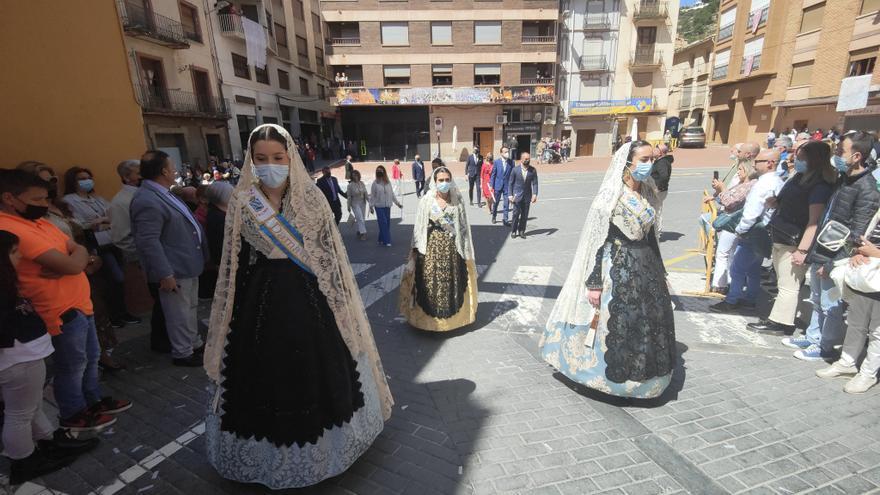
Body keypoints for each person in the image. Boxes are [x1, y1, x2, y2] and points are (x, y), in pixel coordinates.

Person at [202, 124, 392, 489]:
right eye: (261, 159)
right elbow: (233, 261)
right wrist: (230, 310)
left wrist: (340, 303)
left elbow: (330, 254)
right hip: (260, 301)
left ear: (290, 158)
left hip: (310, 296)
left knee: (321, 366)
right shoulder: (243, 202)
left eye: (277, 158)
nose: (270, 165)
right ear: (251, 162)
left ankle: (325, 453)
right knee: (262, 372)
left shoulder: (312, 199)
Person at [541, 141, 675, 398]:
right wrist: (594, 284)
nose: (649, 164)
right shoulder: (608, 198)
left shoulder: (647, 194)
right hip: (617, 266)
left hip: (645, 268)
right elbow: (595, 243)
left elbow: (651, 238)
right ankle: (602, 377)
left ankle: (644, 381)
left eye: (651, 159)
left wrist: (661, 271)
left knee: (645, 322)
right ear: (628, 164)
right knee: (618, 322)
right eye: (644, 160)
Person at [0, 170, 130, 432]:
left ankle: (92, 401)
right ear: (10, 198)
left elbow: (76, 249)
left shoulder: (40, 222)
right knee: (72, 364)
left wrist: (78, 259)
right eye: (36, 198)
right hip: (58, 308)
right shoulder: (10, 228)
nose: (44, 204)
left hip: (79, 301)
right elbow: (71, 262)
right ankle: (73, 412)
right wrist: (77, 261)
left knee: (91, 357)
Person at [0, 230, 100, 484]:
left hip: (23, 355)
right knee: (19, 414)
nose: (20, 255)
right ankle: (23, 460)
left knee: (30, 407)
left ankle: (49, 440)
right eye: (13, 252)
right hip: (18, 358)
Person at [796, 131, 880, 361]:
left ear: (857, 156)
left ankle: (825, 346)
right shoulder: (845, 180)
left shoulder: (867, 189)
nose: (837, 156)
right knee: (816, 299)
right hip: (822, 249)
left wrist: (832, 262)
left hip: (836, 256)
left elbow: (858, 233)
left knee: (830, 304)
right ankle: (813, 337)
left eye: (841, 152)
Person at [747, 141, 836, 336]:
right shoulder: (799, 178)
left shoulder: (819, 185)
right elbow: (789, 201)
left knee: (789, 285)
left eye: (801, 157)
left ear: (814, 159)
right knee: (783, 283)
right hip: (782, 236)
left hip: (795, 241)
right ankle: (779, 317)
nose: (796, 160)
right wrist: (776, 202)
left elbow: (814, 221)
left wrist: (803, 250)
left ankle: (780, 323)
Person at [131, 151, 208, 367]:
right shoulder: (147, 199)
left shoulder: (165, 192)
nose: (174, 170)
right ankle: (183, 352)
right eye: (171, 166)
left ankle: (193, 342)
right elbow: (148, 242)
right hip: (174, 269)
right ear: (164, 171)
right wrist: (165, 273)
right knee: (178, 314)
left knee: (189, 309)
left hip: (187, 264)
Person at [399, 166, 478, 332]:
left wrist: (465, 251)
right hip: (431, 250)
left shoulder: (458, 200)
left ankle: (451, 323)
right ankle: (427, 323)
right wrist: (415, 250)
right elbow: (419, 227)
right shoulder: (427, 201)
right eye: (441, 180)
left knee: (451, 283)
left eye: (447, 180)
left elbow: (463, 227)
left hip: (452, 250)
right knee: (429, 283)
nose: (444, 183)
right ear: (435, 182)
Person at [62, 167, 138, 329]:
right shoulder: (70, 200)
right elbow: (77, 224)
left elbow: (113, 215)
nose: (86, 181)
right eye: (82, 178)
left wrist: (102, 221)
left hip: (112, 241)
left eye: (88, 177)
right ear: (73, 182)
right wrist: (97, 223)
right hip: (96, 245)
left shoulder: (97, 198)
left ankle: (123, 312)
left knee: (120, 278)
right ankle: (115, 315)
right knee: (115, 278)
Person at [710, 149, 784, 314]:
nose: (755, 165)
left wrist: (740, 229)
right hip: (765, 231)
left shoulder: (763, 184)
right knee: (753, 269)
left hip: (753, 231)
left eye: (758, 162)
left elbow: (752, 211)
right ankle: (750, 298)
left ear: (770, 163)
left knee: (737, 268)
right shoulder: (777, 181)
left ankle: (732, 300)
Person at [508, 152, 539, 239]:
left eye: (528, 159)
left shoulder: (533, 170)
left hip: (527, 196)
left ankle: (521, 231)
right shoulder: (515, 170)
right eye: (525, 159)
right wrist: (510, 195)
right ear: (521, 159)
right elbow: (510, 183)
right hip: (516, 196)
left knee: (525, 215)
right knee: (515, 214)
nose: (527, 160)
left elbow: (535, 183)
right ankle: (513, 230)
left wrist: (535, 194)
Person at [370, 165, 402, 247]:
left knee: (386, 223)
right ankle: (387, 241)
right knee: (383, 222)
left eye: (381, 171)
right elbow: (372, 195)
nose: (379, 172)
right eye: (378, 171)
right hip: (378, 206)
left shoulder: (388, 182)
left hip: (387, 206)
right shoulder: (375, 183)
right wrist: (371, 206)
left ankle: (380, 239)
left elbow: (392, 194)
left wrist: (397, 203)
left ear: (384, 172)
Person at [651, 144, 673, 233]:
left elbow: (664, 176)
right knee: (656, 209)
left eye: (655, 150)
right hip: (660, 190)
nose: (653, 151)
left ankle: (657, 231)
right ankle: (655, 230)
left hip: (659, 191)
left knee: (656, 210)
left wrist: (659, 188)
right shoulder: (659, 161)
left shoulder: (662, 162)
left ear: (660, 153)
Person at [490, 146, 515, 226]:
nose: (507, 153)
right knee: (496, 202)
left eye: (508, 151)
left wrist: (513, 187)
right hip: (498, 185)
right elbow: (493, 174)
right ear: (501, 153)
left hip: (507, 186)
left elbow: (513, 175)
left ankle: (505, 219)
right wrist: (491, 185)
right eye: (505, 152)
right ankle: (494, 216)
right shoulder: (497, 162)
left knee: (506, 203)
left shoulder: (511, 162)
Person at [347, 170, 370, 240]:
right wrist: (348, 205)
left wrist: (370, 202)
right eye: (353, 175)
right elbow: (349, 196)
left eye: (356, 175)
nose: (355, 176)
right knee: (360, 218)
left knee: (362, 218)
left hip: (363, 203)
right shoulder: (350, 185)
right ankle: (364, 233)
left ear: (358, 175)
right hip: (355, 203)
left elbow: (365, 193)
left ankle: (360, 231)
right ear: (351, 176)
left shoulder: (362, 183)